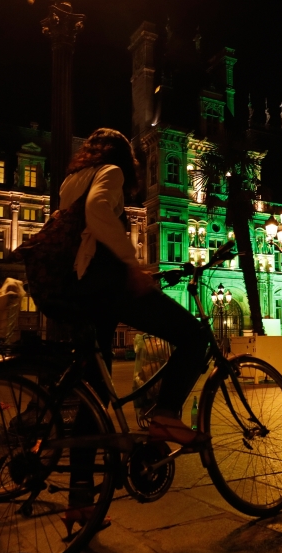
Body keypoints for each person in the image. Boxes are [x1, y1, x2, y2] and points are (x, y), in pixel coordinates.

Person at [61, 128, 208, 446]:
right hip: (108, 284)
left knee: (95, 390)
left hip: (81, 287)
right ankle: (166, 415)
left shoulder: (73, 179)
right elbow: (97, 209)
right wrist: (132, 263)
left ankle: (82, 487)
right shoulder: (110, 172)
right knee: (194, 336)